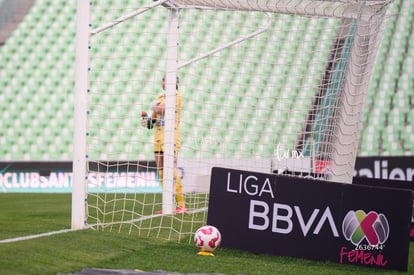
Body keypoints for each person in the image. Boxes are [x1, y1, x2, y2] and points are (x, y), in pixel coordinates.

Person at [141, 75, 186, 214]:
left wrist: (153, 106)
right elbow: (152, 122)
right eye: (163, 79)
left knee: (171, 169)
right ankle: (168, 204)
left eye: (167, 79)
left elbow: (164, 109)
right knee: (161, 170)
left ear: (176, 82)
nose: (164, 82)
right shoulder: (160, 98)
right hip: (158, 138)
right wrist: (146, 120)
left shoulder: (177, 95)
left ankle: (181, 205)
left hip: (171, 137)